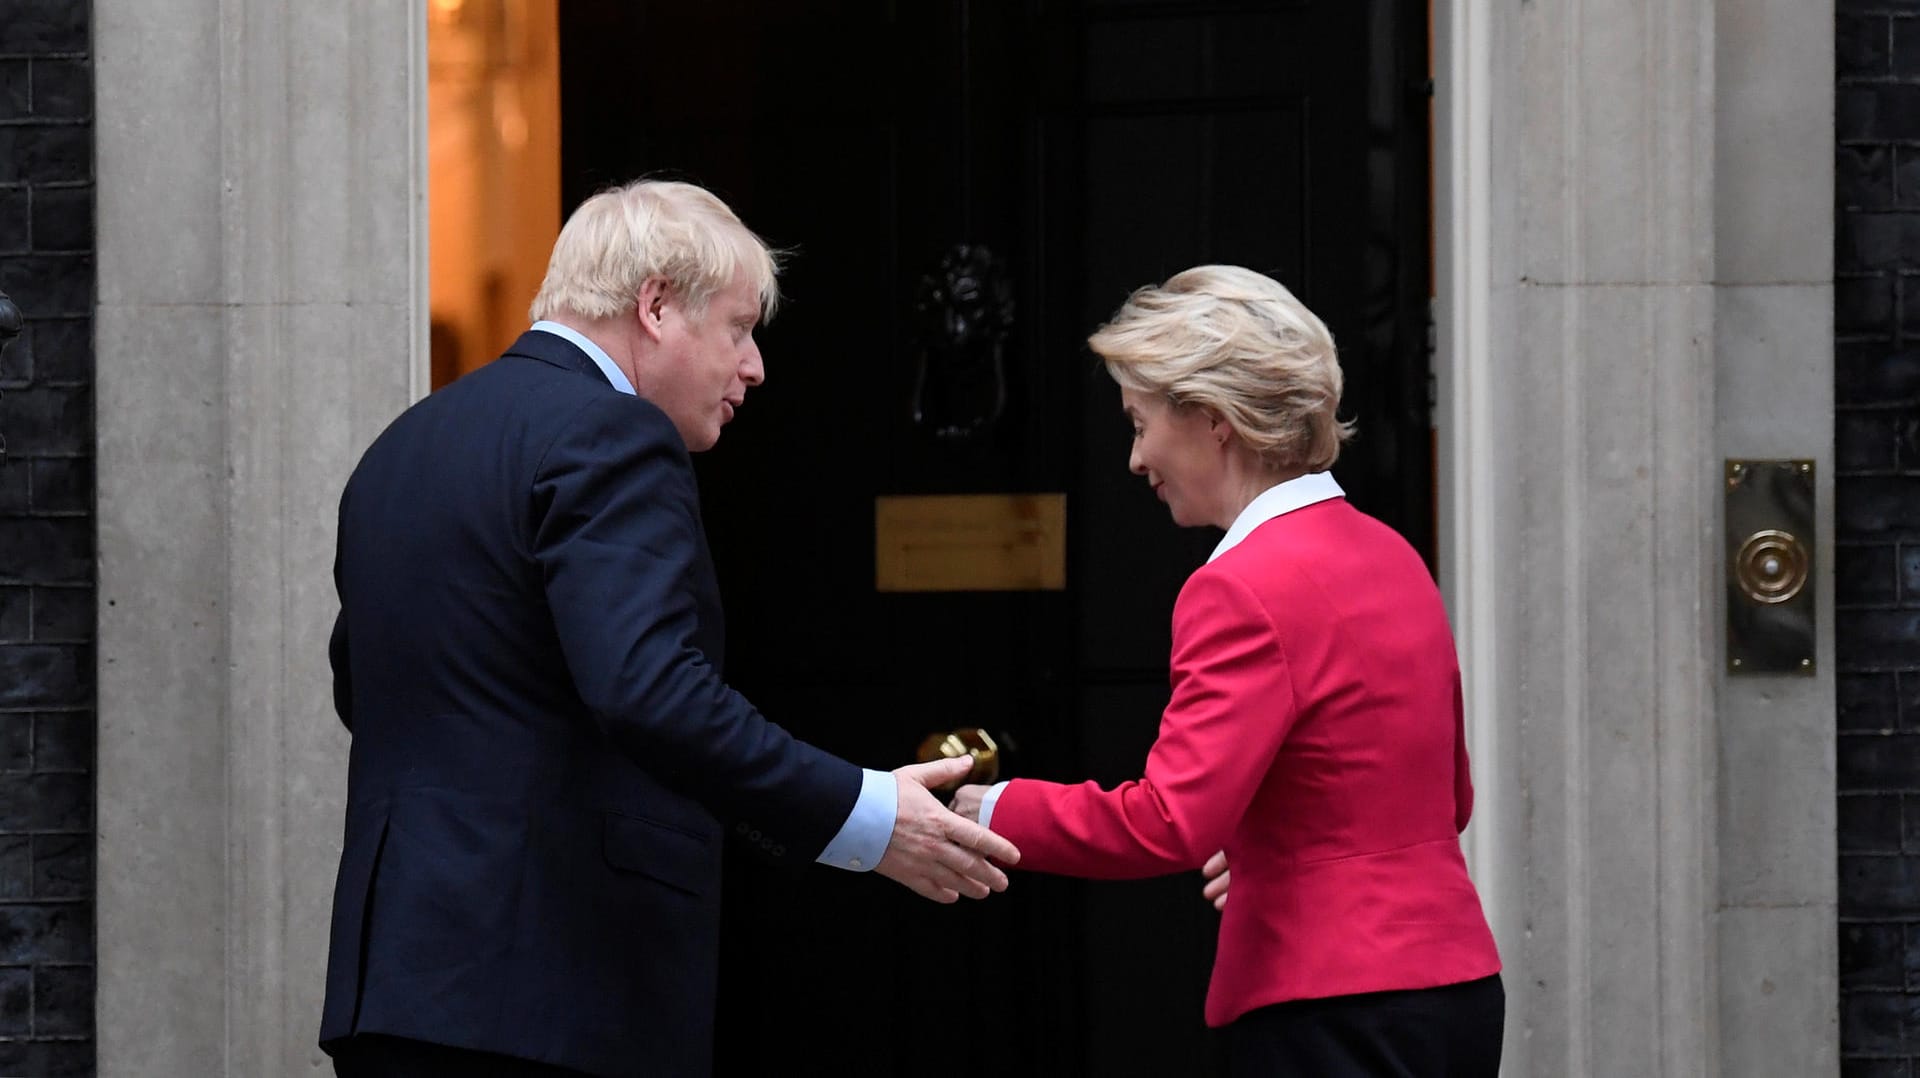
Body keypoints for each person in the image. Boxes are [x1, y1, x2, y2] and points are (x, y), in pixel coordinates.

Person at [319, 179, 1019, 1078]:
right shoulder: (612, 433)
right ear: (654, 306)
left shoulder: (402, 446)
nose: (755, 366)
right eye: (738, 328)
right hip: (554, 984)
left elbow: (368, 687)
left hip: (396, 987)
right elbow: (650, 691)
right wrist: (865, 813)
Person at [953, 265, 1502, 1077]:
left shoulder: (1238, 585)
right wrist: (1273, 848)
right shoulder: (1392, 555)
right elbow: (1443, 797)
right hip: (1455, 990)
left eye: (1140, 424)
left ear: (1213, 420)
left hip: (1326, 1002)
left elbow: (1171, 822)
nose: (1137, 458)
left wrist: (996, 810)